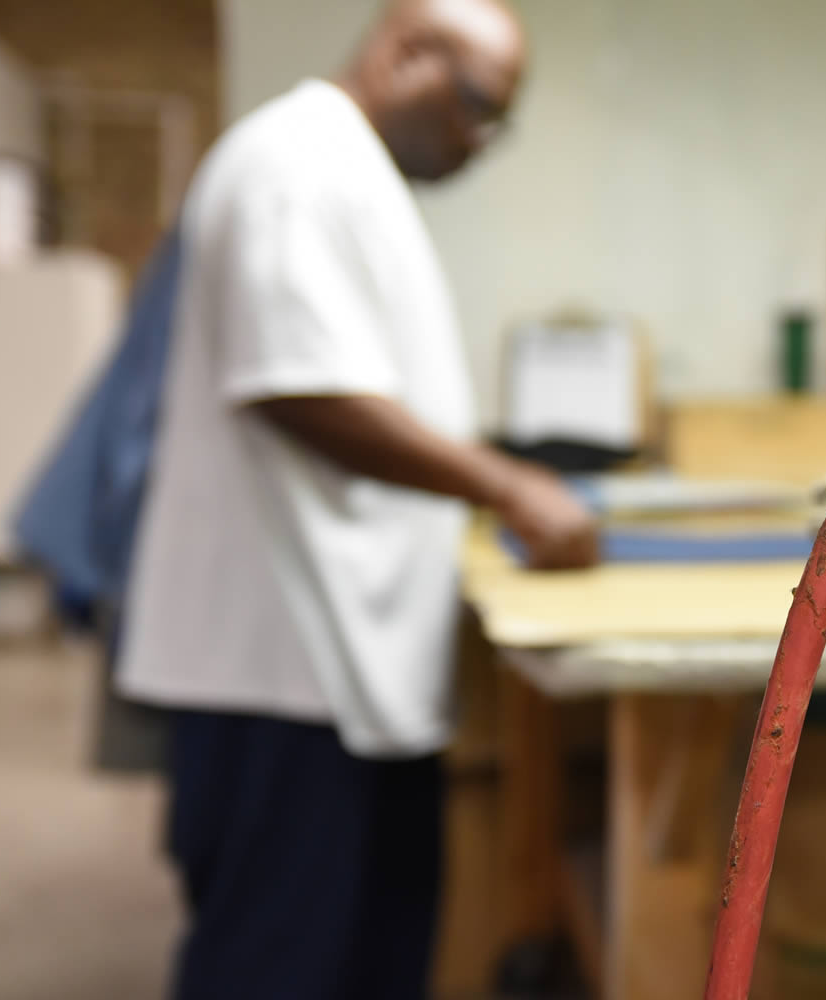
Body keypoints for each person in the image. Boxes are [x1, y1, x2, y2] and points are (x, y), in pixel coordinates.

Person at [114, 0, 598, 996]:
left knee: (371, 954)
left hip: (342, 673)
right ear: (407, 53)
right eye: (475, 108)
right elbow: (301, 388)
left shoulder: (352, 173)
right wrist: (508, 486)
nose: (478, 142)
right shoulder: (296, 164)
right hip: (281, 674)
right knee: (274, 966)